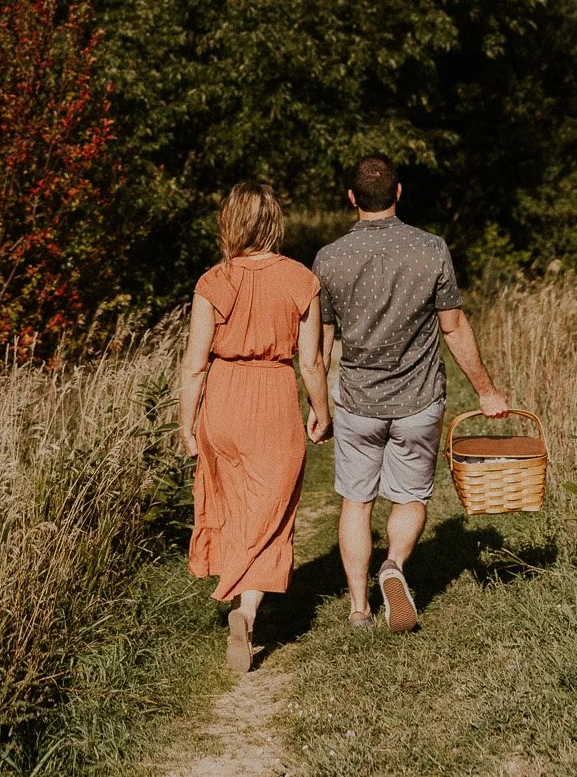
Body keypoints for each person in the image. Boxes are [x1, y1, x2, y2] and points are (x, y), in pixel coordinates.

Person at [312, 154, 510, 633]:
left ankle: (359, 608)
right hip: (419, 400)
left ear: (352, 198)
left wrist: (319, 406)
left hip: (358, 401)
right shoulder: (431, 248)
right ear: (398, 193)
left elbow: (318, 348)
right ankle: (394, 566)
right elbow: (454, 326)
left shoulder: (328, 258)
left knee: (356, 503)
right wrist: (486, 391)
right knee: (411, 496)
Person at [179, 181, 333, 673]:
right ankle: (245, 609)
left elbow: (194, 364)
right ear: (274, 223)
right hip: (272, 396)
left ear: (231, 223)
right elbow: (310, 361)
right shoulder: (300, 279)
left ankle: (237, 594)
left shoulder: (213, 281)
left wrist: (186, 423)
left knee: (232, 501)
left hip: (222, 399)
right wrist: (322, 410)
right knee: (272, 510)